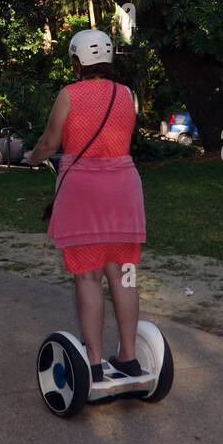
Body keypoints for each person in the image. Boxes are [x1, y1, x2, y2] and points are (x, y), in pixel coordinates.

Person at [26, 29, 148, 386]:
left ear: (77, 61)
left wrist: (34, 157)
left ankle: (93, 361)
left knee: (88, 277)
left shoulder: (69, 94)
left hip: (84, 192)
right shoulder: (127, 94)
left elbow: (51, 141)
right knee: (123, 274)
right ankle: (128, 357)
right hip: (124, 190)